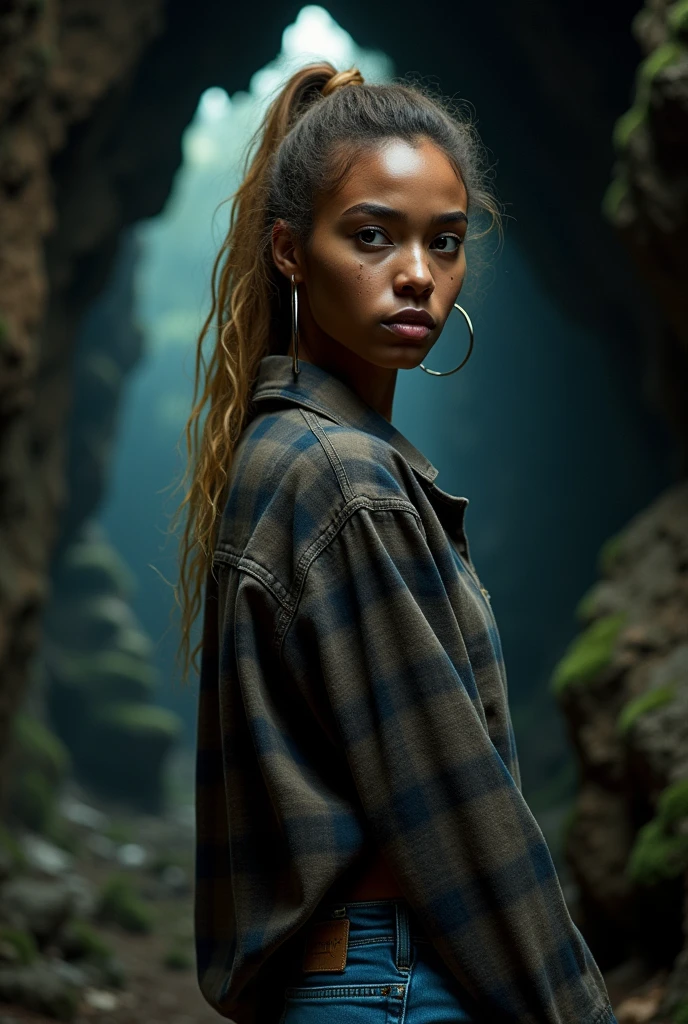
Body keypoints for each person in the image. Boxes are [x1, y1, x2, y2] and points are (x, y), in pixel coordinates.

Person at [173, 61, 619, 1024]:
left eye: (445, 242)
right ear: (290, 251)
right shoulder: (344, 480)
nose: (418, 272)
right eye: (372, 236)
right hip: (396, 986)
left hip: (342, 985)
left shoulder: (286, 450)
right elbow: (451, 804)